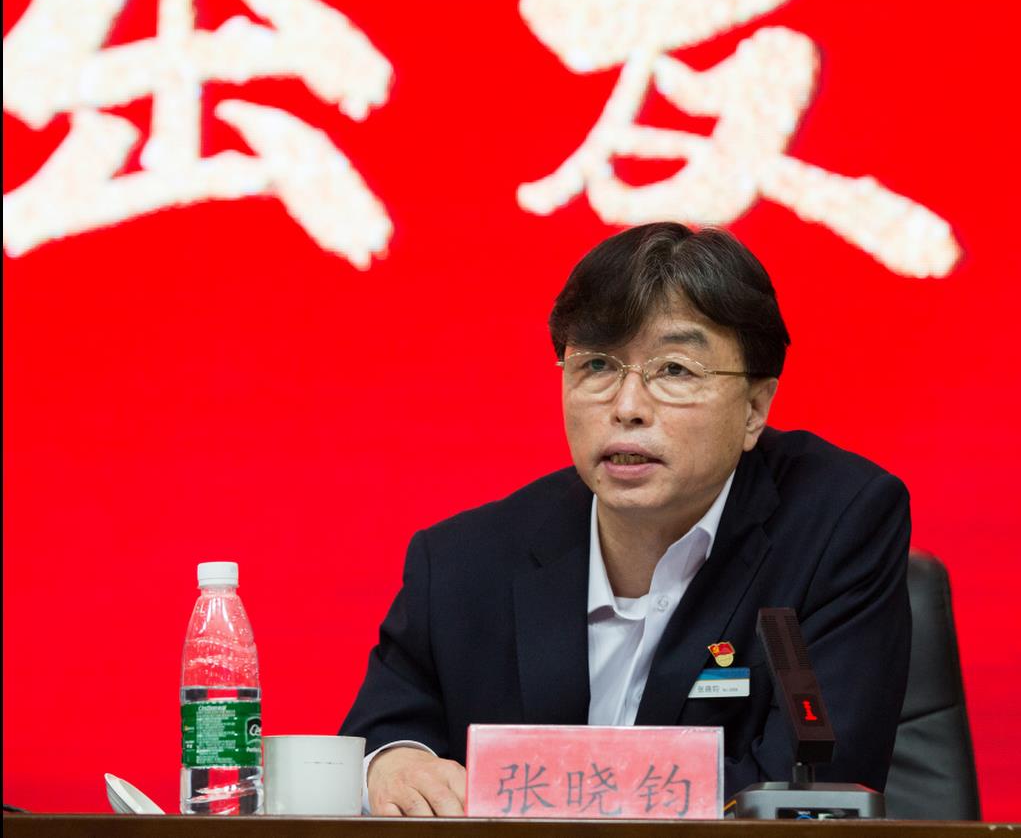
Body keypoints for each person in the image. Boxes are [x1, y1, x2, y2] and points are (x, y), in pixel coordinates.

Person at [341, 222, 912, 816]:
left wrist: (537, 794)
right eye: (596, 366)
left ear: (754, 408)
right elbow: (384, 732)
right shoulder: (462, 562)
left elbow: (812, 792)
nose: (628, 407)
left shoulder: (837, 525)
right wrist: (392, 764)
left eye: (675, 370)